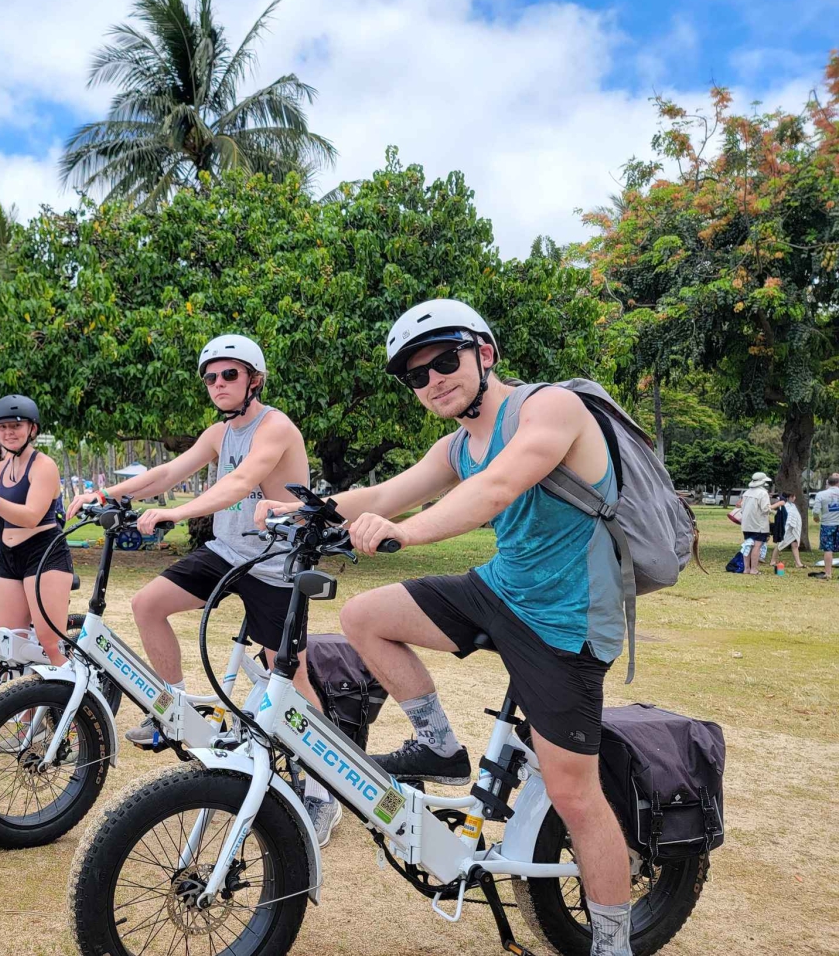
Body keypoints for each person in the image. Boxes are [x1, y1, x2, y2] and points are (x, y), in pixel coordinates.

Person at [259, 299, 635, 956]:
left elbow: (494, 490)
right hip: (504, 589)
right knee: (364, 615)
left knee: (575, 792)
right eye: (415, 374)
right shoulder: (456, 444)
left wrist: (405, 531)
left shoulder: (550, 409)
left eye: (445, 359)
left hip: (569, 620)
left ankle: (611, 943)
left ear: (484, 353)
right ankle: (439, 746)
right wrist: (303, 510)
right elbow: (382, 495)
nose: (433, 378)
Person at [64, 334, 342, 844]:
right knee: (147, 604)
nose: (218, 384)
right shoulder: (219, 433)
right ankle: (173, 710)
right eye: (211, 377)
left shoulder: (275, 426)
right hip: (225, 553)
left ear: (253, 379)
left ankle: (325, 793)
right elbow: (169, 471)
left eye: (229, 374)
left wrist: (177, 511)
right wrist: (104, 492)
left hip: (273, 562)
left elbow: (240, 484)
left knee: (291, 678)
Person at [0, 396, 74, 666]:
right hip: (9, 559)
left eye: (16, 426)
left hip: (43, 555)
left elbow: (31, 516)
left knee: (49, 644)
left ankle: (74, 702)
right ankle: (23, 708)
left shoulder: (44, 466)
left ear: (32, 429)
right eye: (3, 427)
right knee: (10, 646)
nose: (9, 433)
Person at [739, 472, 772, 575]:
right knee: (757, 546)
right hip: (759, 525)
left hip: (746, 524)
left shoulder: (747, 493)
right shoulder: (763, 493)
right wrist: (775, 508)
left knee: (747, 545)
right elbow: (765, 509)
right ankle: (754, 569)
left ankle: (746, 569)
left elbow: (742, 508)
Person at [811, 472, 839, 580]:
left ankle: (828, 573)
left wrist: (816, 518)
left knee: (828, 549)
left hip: (827, 524)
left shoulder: (821, 494)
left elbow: (816, 511)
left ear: (829, 483)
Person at [770, 493, 803, 571]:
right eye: (793, 496)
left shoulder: (793, 506)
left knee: (795, 545)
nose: (795, 497)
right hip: (787, 528)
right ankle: (772, 561)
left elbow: (796, 517)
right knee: (780, 544)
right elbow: (785, 517)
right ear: (789, 497)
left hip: (793, 529)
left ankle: (798, 563)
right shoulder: (785, 505)